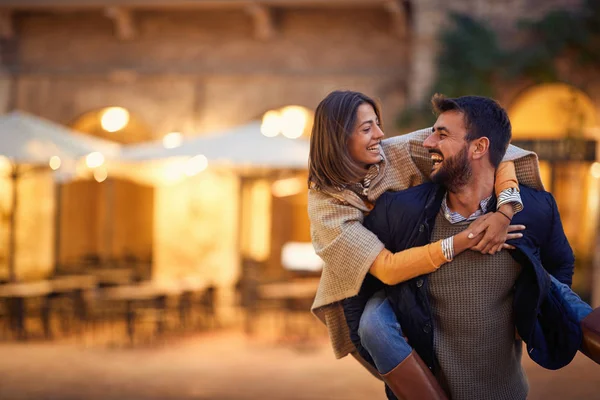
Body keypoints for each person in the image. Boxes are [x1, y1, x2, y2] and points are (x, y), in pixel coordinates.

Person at [357, 94, 599, 399]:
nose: (428, 142)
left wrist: (531, 312)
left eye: (442, 134)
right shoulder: (401, 211)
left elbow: (559, 265)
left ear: (479, 147)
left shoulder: (536, 209)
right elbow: (364, 287)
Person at [308, 90, 541, 398]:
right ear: (339, 139)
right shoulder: (327, 208)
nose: (380, 134)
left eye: (377, 123)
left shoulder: (396, 152)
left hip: (427, 267)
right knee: (373, 327)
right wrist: (462, 240)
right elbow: (388, 270)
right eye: (367, 128)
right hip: (369, 284)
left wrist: (505, 211)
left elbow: (494, 152)